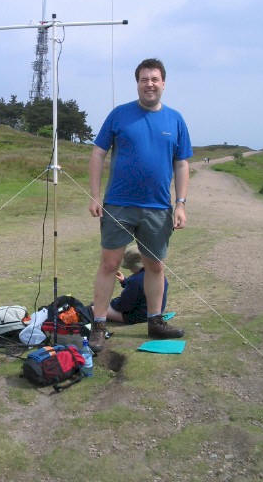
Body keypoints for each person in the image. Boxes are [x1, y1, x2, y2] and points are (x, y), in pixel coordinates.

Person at [88, 58, 192, 352]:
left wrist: (180, 203)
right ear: (137, 83)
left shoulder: (175, 119)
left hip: (158, 207)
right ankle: (98, 325)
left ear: (163, 83)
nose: (150, 84)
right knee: (110, 264)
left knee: (155, 266)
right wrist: (95, 196)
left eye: (155, 79)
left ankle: (155, 322)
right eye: (144, 79)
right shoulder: (120, 115)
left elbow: (181, 163)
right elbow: (98, 153)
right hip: (118, 205)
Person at [106, 246, 168, 324]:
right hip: (157, 313)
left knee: (95, 308)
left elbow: (124, 306)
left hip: (140, 316)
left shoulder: (134, 281)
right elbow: (143, 289)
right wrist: (124, 281)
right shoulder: (158, 276)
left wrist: (111, 303)